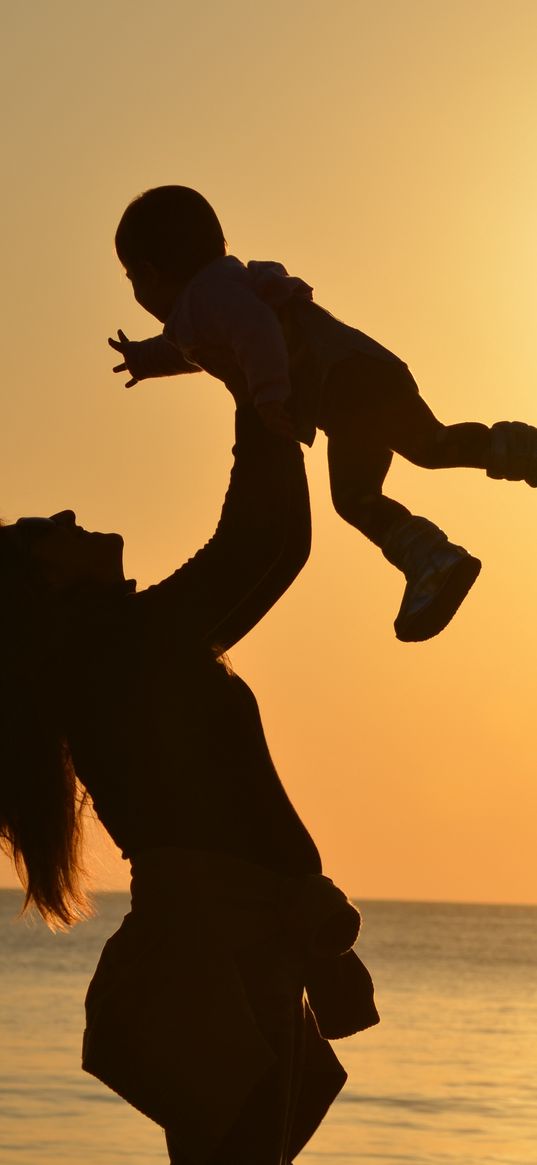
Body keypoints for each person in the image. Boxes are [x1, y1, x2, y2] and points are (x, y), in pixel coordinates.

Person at [0, 407, 378, 1165]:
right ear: (45, 580)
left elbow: (274, 552)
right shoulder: (122, 648)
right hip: (219, 944)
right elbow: (259, 547)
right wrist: (256, 384)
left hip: (236, 940)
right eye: (48, 526)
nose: (70, 514)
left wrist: (269, 398)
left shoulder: (127, 646)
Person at [110, 184, 537, 643]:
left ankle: (435, 559)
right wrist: (144, 360)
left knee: (365, 489)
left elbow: (253, 331)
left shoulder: (204, 299)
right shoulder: (216, 293)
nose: (136, 291)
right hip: (360, 376)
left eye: (132, 278)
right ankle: (507, 465)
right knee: (425, 449)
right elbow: (197, 347)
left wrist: (269, 396)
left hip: (346, 386)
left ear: (149, 273)